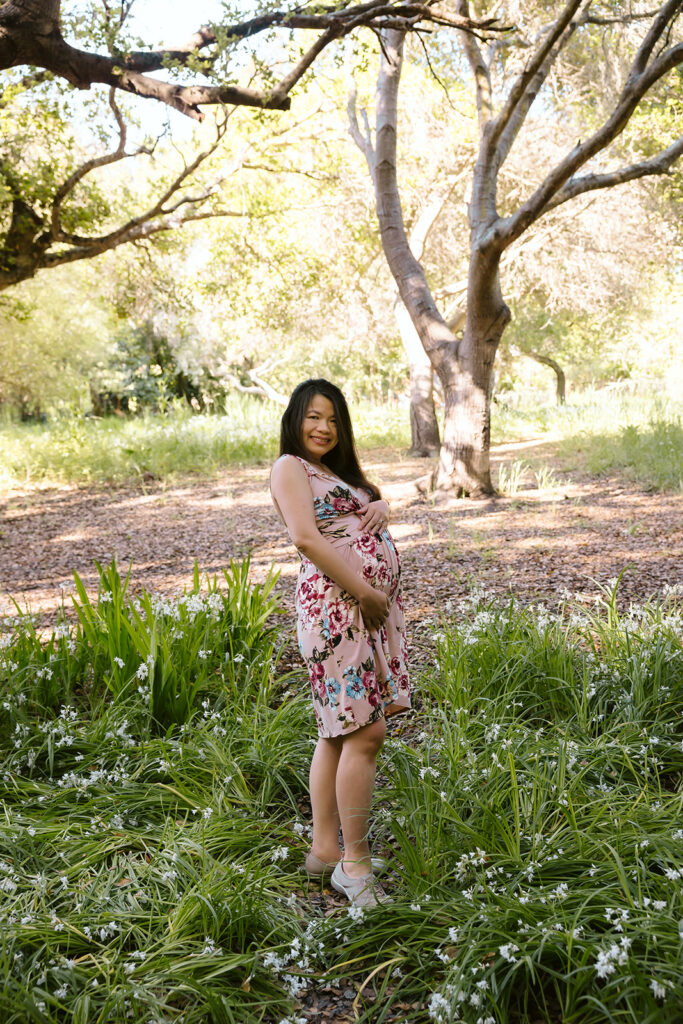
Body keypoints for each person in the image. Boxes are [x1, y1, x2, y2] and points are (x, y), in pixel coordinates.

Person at [270, 378, 411, 907]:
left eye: (332, 419)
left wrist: (380, 506)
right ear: (295, 419)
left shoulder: (333, 473)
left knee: (338, 730)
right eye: (313, 416)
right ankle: (354, 865)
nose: (323, 427)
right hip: (337, 608)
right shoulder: (289, 467)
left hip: (363, 610)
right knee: (365, 732)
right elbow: (306, 537)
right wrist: (366, 592)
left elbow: (358, 510)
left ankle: (324, 850)